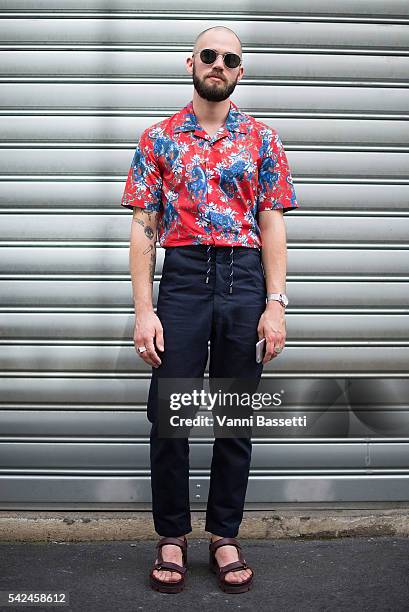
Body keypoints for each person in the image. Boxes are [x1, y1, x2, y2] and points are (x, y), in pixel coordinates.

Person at [120, 25, 300, 594]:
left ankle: (224, 535)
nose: (219, 64)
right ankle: (171, 536)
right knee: (170, 417)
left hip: (244, 279)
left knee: (234, 418)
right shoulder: (157, 140)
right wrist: (145, 310)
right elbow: (143, 230)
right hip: (183, 283)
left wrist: (275, 304)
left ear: (240, 72)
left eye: (231, 58)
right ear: (189, 63)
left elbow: (273, 224)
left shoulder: (264, 140)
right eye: (209, 55)